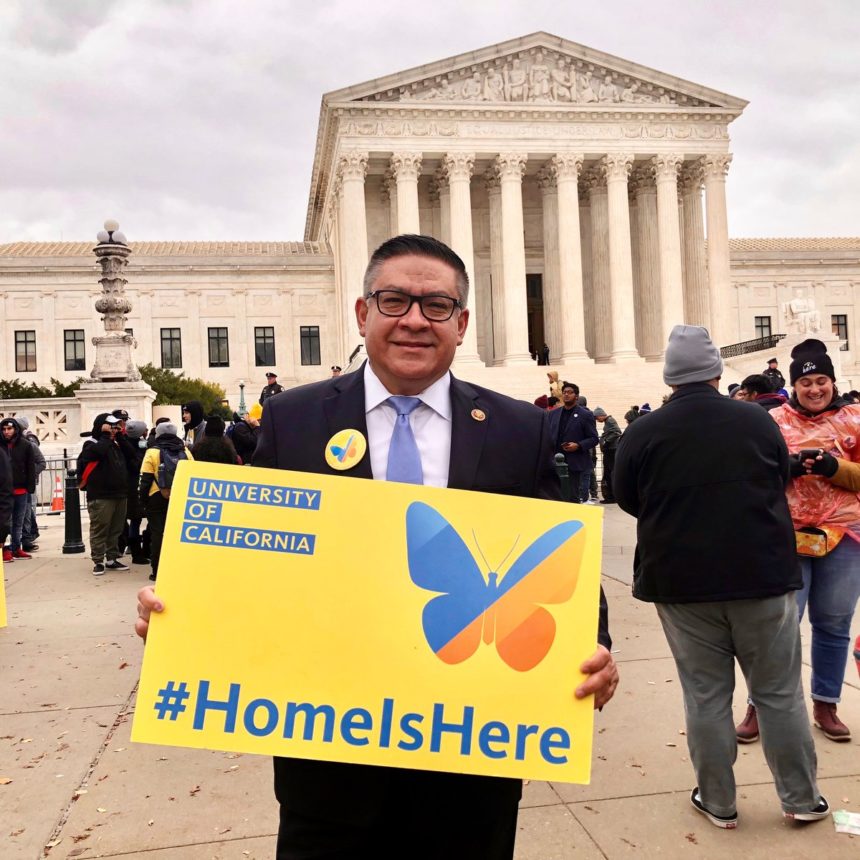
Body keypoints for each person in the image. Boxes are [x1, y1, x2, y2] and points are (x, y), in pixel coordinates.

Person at [136, 234, 618, 859]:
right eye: (394, 301)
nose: (415, 320)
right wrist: (182, 612)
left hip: (471, 756)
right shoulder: (294, 420)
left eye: (436, 306)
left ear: (461, 323)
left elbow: (560, 556)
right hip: (330, 765)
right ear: (363, 313)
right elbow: (252, 558)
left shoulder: (519, 428)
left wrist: (596, 644)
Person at [614, 325, 828, 828]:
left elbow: (625, 496)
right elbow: (779, 476)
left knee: (705, 694)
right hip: (762, 576)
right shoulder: (756, 420)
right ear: (715, 371)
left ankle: (719, 802)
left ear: (670, 376)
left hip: (682, 582)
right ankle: (800, 798)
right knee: (778, 693)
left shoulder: (644, 430)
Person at [737, 339, 860, 744]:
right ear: (793, 385)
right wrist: (784, 469)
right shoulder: (771, 421)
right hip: (787, 535)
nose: (814, 389)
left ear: (832, 381)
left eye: (821, 380)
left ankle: (826, 701)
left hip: (844, 536)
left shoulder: (855, 418)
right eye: (806, 382)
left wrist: (834, 467)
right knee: (778, 626)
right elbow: (752, 475)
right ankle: (760, 704)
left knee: (834, 621)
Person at [77, 414, 133, 575]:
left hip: (120, 494)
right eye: (111, 426)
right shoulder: (92, 444)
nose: (114, 429)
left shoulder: (116, 443)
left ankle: (111, 558)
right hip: (101, 495)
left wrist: (121, 436)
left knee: (116, 529)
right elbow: (96, 453)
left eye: (116, 426)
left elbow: (131, 455)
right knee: (100, 529)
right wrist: (105, 436)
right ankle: (98, 560)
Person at [138, 422, 192, 583]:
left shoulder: (152, 452)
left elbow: (145, 479)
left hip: (157, 496)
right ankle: (177, 568)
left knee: (158, 533)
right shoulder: (185, 451)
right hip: (180, 496)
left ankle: (157, 570)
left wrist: (143, 500)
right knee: (177, 534)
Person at [548, 382, 598, 503]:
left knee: (572, 496)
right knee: (555, 496)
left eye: (570, 392)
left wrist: (579, 445)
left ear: (576, 396)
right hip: (554, 461)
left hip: (574, 461)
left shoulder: (585, 415)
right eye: (564, 392)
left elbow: (594, 438)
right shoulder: (553, 414)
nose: (566, 395)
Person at [0, 418, 35, 562]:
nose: (7, 432)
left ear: (16, 429)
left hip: (21, 489)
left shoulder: (26, 445)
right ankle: (5, 549)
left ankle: (16, 547)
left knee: (19, 521)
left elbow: (31, 467)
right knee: (4, 521)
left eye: (10, 429)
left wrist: (30, 486)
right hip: (4, 491)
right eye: (4, 429)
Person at [120, 420, 150, 565]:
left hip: (125, 486)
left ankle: (131, 549)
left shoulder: (121, 445)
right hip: (134, 486)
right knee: (136, 520)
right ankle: (136, 553)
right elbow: (137, 465)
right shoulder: (138, 449)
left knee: (131, 520)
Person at [15, 416, 44, 552]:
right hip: (11, 486)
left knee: (27, 511)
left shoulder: (29, 443)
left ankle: (27, 538)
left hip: (26, 485)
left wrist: (30, 476)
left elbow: (40, 462)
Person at [593, 408, 621, 504]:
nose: (597, 420)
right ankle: (611, 496)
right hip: (610, 450)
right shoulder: (608, 421)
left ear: (601, 415)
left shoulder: (610, 421)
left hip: (611, 450)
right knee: (609, 473)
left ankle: (611, 496)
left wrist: (606, 442)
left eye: (597, 418)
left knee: (609, 473)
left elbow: (617, 432)